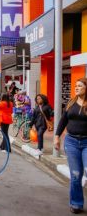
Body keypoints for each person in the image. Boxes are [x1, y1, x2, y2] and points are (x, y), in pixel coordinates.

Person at [54, 78, 87, 214]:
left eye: (79, 86)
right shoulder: (71, 103)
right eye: (75, 86)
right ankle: (76, 203)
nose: (76, 87)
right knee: (75, 175)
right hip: (71, 142)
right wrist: (56, 137)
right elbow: (63, 121)